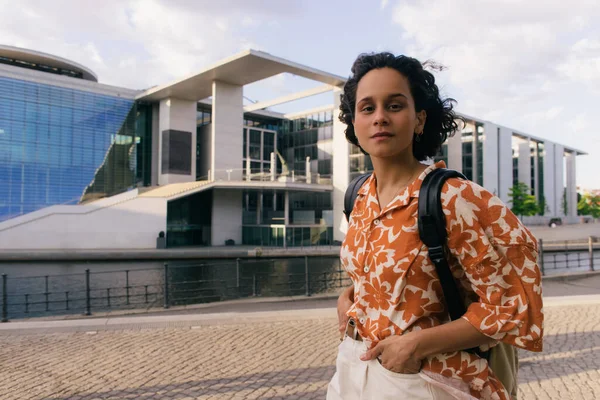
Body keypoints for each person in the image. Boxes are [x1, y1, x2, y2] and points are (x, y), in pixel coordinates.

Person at [326, 52, 544, 400]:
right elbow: (385, 281)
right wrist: (348, 298)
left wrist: (416, 344)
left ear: (419, 119)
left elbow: (510, 305)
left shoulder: (453, 197)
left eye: (395, 105)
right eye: (367, 108)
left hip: (424, 380)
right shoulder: (359, 196)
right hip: (352, 370)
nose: (380, 117)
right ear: (354, 122)